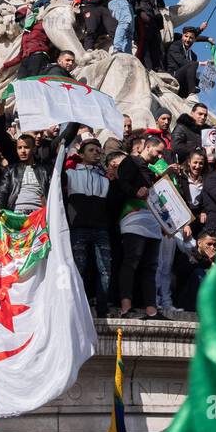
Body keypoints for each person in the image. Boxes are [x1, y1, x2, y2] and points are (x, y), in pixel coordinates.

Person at [111, 133, 164, 319]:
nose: (159, 157)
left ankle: (151, 309)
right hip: (133, 218)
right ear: (147, 147)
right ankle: (126, 307)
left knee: (150, 266)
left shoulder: (151, 170)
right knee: (131, 261)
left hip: (153, 219)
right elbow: (122, 184)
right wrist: (135, 191)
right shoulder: (130, 162)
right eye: (158, 152)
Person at [63, 135, 113, 318]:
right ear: (81, 154)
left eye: (98, 151)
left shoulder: (106, 179)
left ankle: (102, 309)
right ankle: (79, 309)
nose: (96, 153)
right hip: (79, 228)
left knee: (105, 270)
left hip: (101, 229)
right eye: (91, 150)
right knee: (78, 269)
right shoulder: (70, 174)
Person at [159, 148, 207, 318]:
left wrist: (202, 212)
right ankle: (160, 301)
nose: (198, 166)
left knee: (188, 257)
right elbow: (172, 198)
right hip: (172, 224)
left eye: (201, 163)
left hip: (190, 227)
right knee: (163, 265)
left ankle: (167, 301)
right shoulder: (178, 179)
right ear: (188, 163)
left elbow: (203, 202)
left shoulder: (204, 181)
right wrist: (184, 221)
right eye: (195, 162)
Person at [0, 133, 49, 215]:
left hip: (39, 214)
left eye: (26, 147)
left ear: (34, 149)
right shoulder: (10, 170)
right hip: (16, 213)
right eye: (19, 148)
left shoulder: (46, 170)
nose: (22, 151)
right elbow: (2, 191)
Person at [0, 5, 55, 78]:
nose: (20, 22)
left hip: (38, 56)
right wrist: (4, 65)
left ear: (28, 16)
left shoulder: (41, 24)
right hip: (25, 60)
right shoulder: (25, 34)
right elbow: (20, 56)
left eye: (22, 18)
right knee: (20, 82)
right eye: (18, 20)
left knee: (34, 81)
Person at [174, 227, 216, 313]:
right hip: (187, 301)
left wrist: (214, 263)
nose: (212, 248)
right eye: (209, 244)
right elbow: (181, 276)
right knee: (199, 273)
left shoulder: (215, 260)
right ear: (199, 243)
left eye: (215, 245)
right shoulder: (187, 255)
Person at [163, 27, 211, 99]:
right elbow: (182, 61)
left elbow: (191, 75)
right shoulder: (175, 46)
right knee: (193, 64)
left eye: (191, 38)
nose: (188, 40)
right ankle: (191, 90)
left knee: (193, 66)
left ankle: (190, 91)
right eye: (186, 36)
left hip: (183, 85)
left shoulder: (193, 56)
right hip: (173, 75)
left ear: (195, 40)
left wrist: (206, 83)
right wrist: (200, 63)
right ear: (182, 36)